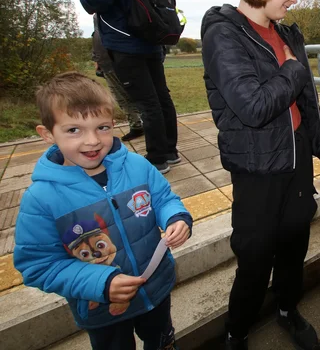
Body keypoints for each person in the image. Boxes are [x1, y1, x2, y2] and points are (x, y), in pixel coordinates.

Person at [200, 0, 320, 350]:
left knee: (293, 247)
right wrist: (289, 70)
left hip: (297, 161)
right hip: (257, 169)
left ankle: (288, 309)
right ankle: (237, 330)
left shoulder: (290, 35)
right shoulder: (223, 31)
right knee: (254, 258)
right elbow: (251, 106)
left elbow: (301, 103)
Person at [13, 72, 193, 350]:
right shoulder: (42, 199)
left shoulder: (138, 166)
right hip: (101, 307)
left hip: (155, 288)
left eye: (103, 127)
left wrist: (175, 217)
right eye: (74, 130)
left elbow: (164, 198)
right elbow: (38, 266)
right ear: (47, 134)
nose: (92, 141)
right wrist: (101, 282)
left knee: (161, 340)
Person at [78, 0, 179, 173]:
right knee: (161, 96)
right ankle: (170, 150)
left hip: (123, 39)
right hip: (150, 35)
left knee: (147, 102)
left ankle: (158, 158)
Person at [91, 14, 144, 142]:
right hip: (106, 63)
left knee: (128, 96)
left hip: (120, 62)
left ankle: (140, 124)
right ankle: (137, 124)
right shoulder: (97, 16)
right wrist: (96, 59)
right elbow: (96, 38)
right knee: (121, 97)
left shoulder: (113, 11)